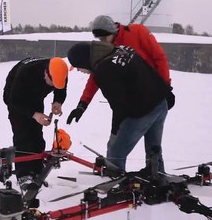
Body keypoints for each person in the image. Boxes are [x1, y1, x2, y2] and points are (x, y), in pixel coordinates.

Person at [67, 41, 171, 172]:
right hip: (160, 103)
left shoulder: (104, 71)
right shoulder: (121, 49)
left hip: (142, 112)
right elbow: (148, 68)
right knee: (154, 150)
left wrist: (115, 130)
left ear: (84, 61)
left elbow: (118, 106)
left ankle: (117, 186)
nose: (78, 70)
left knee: (115, 152)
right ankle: (157, 177)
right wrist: (82, 105)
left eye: (78, 66)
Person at [3, 57, 69, 186]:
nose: (52, 86)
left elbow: (61, 89)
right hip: (15, 97)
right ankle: (23, 174)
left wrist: (58, 101)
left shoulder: (60, 72)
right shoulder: (26, 73)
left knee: (36, 133)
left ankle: (37, 169)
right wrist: (34, 114)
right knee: (23, 134)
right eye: (51, 83)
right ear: (46, 73)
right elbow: (14, 101)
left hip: (36, 96)